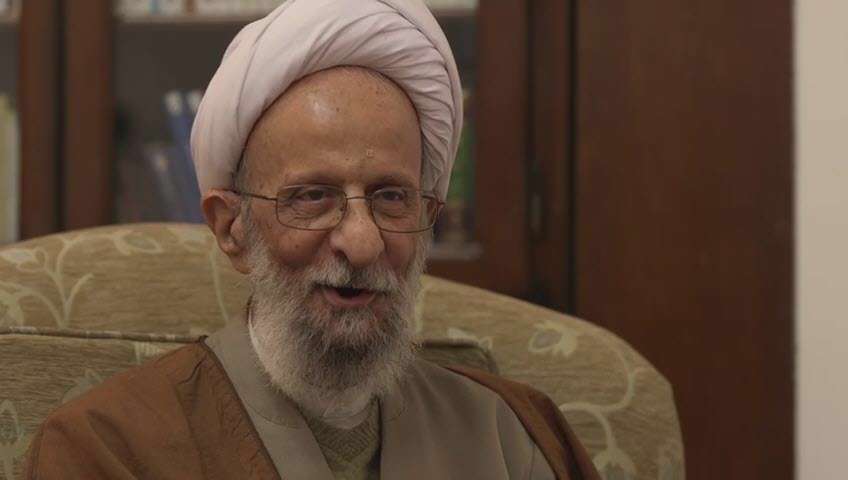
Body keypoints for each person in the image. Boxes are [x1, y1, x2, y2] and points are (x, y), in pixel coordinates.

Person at [22, 1, 600, 479]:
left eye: (391, 197)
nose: (363, 243)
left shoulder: (512, 436)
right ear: (232, 228)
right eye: (313, 197)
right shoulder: (107, 448)